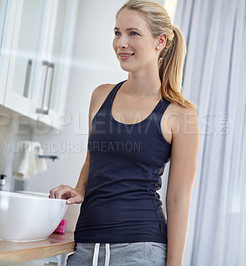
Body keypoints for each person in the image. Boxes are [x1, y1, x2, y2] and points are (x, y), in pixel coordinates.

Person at [49, 0, 199, 265]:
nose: (121, 43)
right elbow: (92, 159)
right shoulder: (101, 95)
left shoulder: (180, 114)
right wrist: (80, 189)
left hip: (141, 249)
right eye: (117, 33)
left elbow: (178, 198)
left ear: (160, 41)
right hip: (85, 246)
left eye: (133, 33)